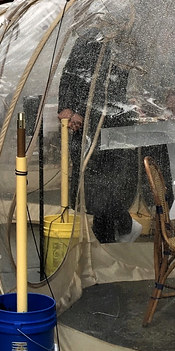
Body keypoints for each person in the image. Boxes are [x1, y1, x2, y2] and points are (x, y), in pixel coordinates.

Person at [57, 30, 139, 243]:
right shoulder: (86, 40)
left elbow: (120, 85)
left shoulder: (125, 41)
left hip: (113, 124)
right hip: (86, 125)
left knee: (113, 181)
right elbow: (69, 77)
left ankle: (118, 226)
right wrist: (69, 108)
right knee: (90, 179)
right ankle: (108, 231)